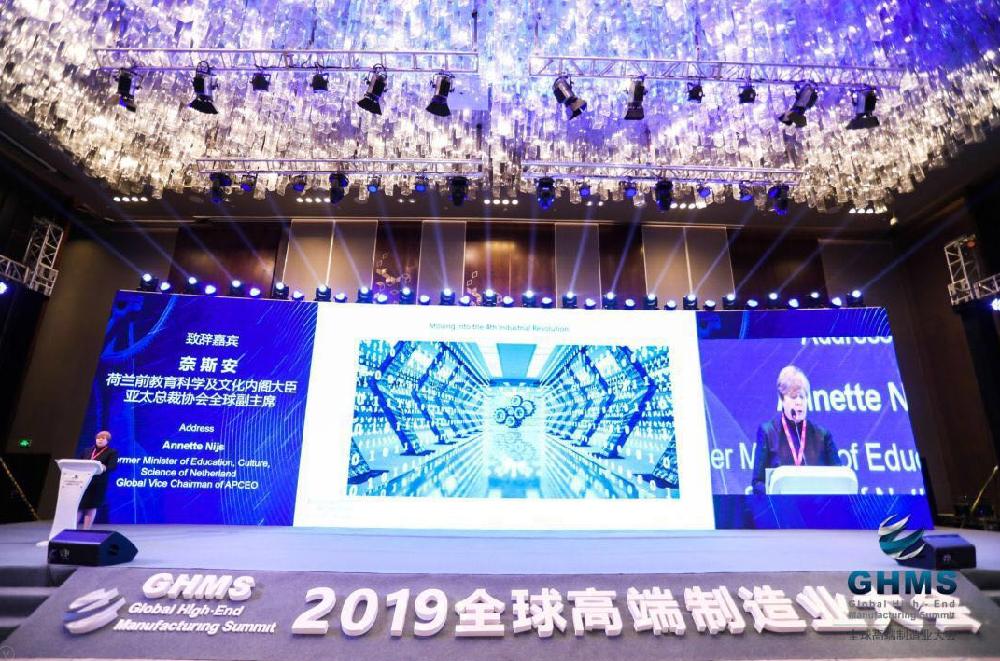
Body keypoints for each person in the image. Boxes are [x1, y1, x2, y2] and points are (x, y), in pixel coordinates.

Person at [752, 365, 840, 495]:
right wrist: (775, 494)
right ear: (782, 400)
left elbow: (839, 479)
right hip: (782, 505)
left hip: (817, 504)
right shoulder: (768, 433)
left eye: (802, 397)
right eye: (793, 397)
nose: (799, 402)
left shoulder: (822, 436)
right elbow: (757, 483)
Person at [78, 430, 118, 529]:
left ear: (107, 441)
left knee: (91, 506)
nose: (100, 440)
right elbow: (79, 463)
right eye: (98, 438)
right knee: (79, 506)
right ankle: (71, 529)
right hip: (83, 482)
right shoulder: (87, 450)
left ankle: (85, 530)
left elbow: (112, 467)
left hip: (98, 483)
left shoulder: (111, 452)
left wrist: (104, 467)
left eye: (103, 438)